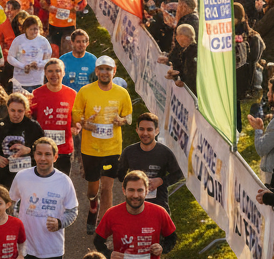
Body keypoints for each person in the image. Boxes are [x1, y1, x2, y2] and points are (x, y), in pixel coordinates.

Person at [72, 55, 133, 233]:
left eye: (109, 69)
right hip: (90, 148)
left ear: (114, 71)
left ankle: (105, 224)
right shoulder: (85, 91)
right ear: (96, 71)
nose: (105, 72)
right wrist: (84, 123)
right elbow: (76, 114)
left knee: (107, 188)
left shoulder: (122, 93)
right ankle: (93, 206)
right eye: (102, 69)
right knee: (93, 189)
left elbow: (128, 117)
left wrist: (121, 121)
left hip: (112, 148)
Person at [116, 112, 182, 211]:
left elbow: (179, 173)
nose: (145, 133)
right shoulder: (129, 152)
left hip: (159, 205)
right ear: (137, 130)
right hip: (134, 206)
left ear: (156, 131)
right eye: (142, 129)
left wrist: (161, 181)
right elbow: (120, 175)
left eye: (149, 130)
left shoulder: (165, 152)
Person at [0, 91, 44, 185]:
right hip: (3, 176)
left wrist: (28, 150)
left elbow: (43, 147)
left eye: (20, 111)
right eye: (13, 110)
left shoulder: (33, 127)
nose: (16, 114)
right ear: (7, 109)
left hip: (28, 176)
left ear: (26, 110)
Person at [30, 58, 76, 173]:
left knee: (62, 185)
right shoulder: (36, 94)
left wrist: (77, 126)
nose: (54, 74)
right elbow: (31, 118)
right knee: (41, 183)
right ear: (45, 73)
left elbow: (77, 119)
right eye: (50, 71)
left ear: (63, 73)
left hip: (64, 149)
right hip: (42, 150)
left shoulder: (72, 94)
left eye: (58, 71)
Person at [6, 14, 53, 93]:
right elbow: (10, 57)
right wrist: (22, 66)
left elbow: (48, 59)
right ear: (25, 29)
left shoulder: (43, 41)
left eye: (35, 29)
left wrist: (38, 64)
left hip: (37, 80)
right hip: (20, 80)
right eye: (30, 29)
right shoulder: (18, 40)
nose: (33, 32)